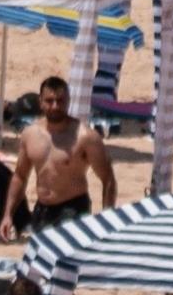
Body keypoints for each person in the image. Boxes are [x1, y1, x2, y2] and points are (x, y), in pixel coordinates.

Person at [7, 75, 113, 236]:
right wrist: (8, 214)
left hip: (73, 209)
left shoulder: (85, 137)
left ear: (68, 101)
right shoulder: (30, 134)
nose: (55, 106)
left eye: (60, 101)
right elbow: (20, 176)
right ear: (40, 102)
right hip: (42, 209)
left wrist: (107, 217)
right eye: (49, 101)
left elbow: (108, 178)